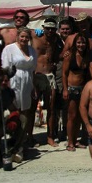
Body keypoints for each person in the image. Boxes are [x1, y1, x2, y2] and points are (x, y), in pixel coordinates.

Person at [1, 27, 37, 160]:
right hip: (14, 81)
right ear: (17, 36)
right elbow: (5, 68)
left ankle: (20, 144)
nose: (24, 39)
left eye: (26, 37)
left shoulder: (32, 50)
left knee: (25, 113)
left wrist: (33, 86)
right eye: (22, 36)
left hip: (27, 82)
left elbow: (32, 69)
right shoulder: (9, 49)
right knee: (13, 113)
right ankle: (11, 145)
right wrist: (7, 86)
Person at [31, 18, 63, 147]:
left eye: (53, 28)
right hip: (37, 75)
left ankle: (50, 136)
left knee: (51, 107)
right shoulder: (34, 35)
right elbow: (19, 30)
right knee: (32, 108)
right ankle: (29, 137)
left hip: (49, 75)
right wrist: (33, 31)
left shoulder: (56, 39)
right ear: (43, 28)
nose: (50, 31)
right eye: (47, 28)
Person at [62, 33, 91, 151]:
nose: (81, 45)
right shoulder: (70, 55)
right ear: (75, 44)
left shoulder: (86, 56)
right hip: (72, 88)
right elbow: (64, 73)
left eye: (83, 42)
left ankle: (75, 140)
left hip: (82, 89)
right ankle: (70, 142)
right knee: (72, 116)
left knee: (80, 116)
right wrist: (65, 89)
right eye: (78, 42)